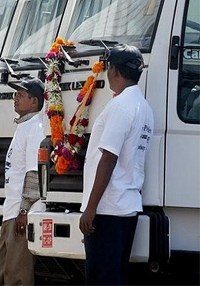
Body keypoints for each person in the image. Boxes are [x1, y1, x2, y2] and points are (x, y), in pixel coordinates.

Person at [79, 44, 154, 285]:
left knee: (102, 278)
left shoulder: (121, 106)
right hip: (125, 204)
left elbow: (109, 158)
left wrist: (91, 208)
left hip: (107, 208)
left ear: (114, 70)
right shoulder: (144, 107)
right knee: (115, 276)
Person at [0, 77, 46, 286]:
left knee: (17, 275)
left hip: (21, 215)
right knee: (1, 269)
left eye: (20, 95)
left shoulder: (36, 127)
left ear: (34, 102)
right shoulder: (23, 127)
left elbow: (33, 171)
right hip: (11, 211)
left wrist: (24, 211)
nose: (15, 98)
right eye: (15, 94)